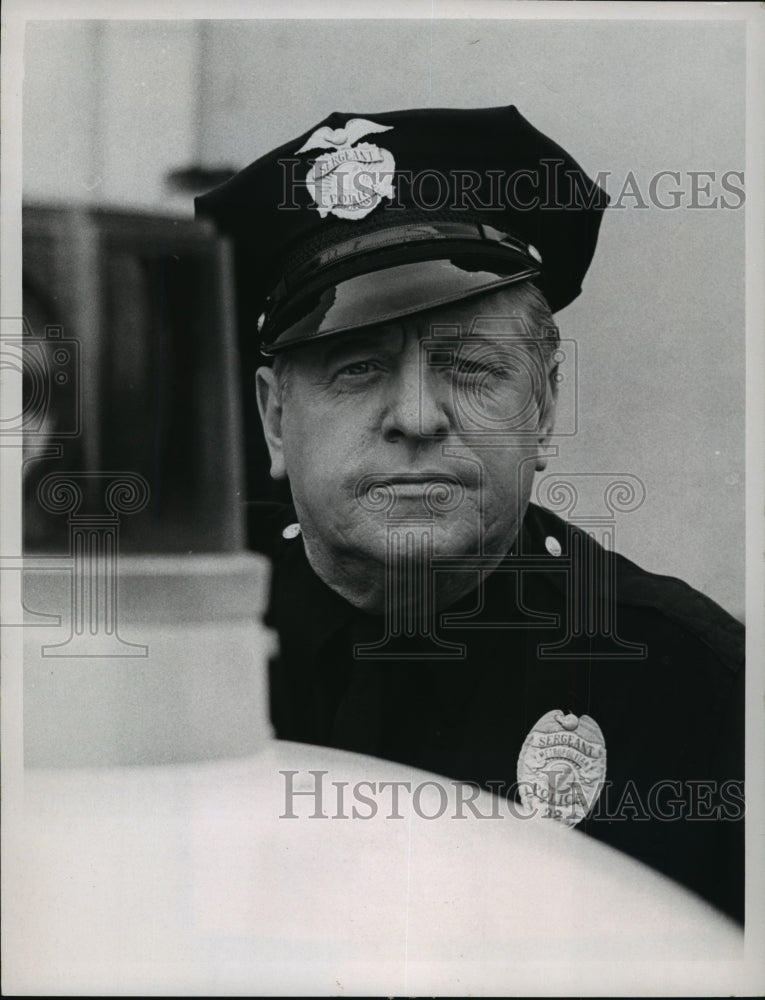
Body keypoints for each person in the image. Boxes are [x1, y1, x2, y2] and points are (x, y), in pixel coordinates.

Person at [196, 104, 744, 922]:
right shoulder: (177, 650)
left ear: (544, 404)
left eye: (469, 367)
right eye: (357, 369)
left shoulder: (688, 686)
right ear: (275, 419)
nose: (416, 417)